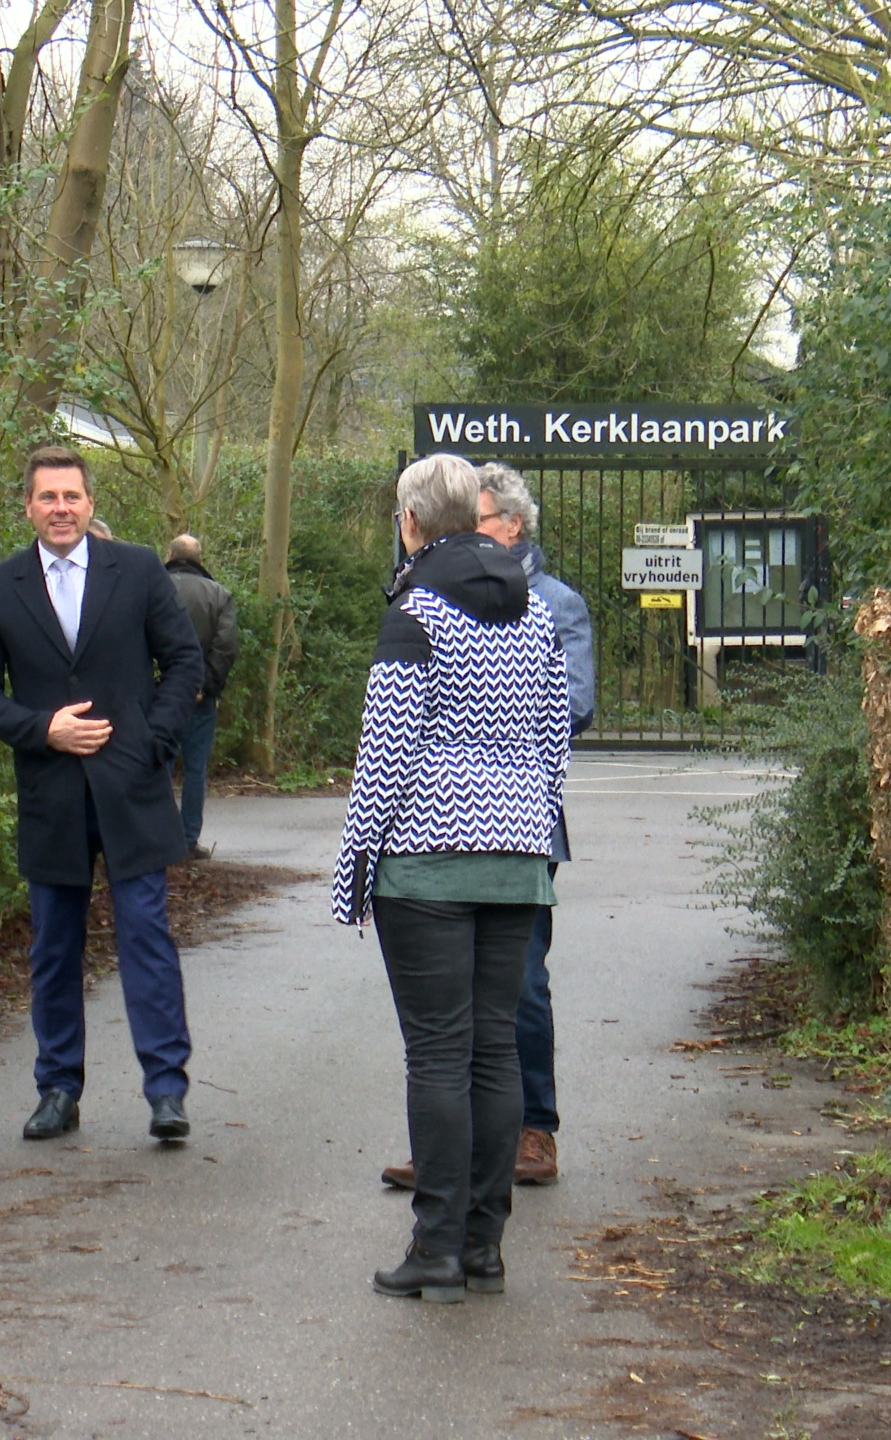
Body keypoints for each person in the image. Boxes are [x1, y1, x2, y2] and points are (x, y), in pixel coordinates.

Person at [334, 452, 571, 1302]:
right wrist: (530, 828)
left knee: (437, 1051)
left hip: (427, 858)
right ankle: (484, 1249)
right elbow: (555, 744)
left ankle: (434, 1248)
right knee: (495, 1046)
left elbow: (386, 755)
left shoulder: (417, 611)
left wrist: (355, 868)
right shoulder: (535, 614)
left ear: (410, 523)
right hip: (516, 856)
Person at [0, 445, 206, 1143]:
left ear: (90, 502)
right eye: (47, 498)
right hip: (51, 794)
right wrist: (42, 729)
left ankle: (166, 1091)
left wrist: (150, 743)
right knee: (54, 949)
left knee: (146, 939)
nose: (60, 509)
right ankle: (57, 1089)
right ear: (28, 508)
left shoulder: (140, 571)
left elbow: (185, 659)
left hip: (131, 790)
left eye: (71, 496)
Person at [380, 463, 595, 1192]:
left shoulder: (547, 605)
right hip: (501, 831)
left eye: (485, 520)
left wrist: (359, 867)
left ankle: (527, 1136)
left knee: (501, 1007)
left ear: (513, 525)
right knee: (461, 1029)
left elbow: (567, 714)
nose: (475, 533)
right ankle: (457, 1174)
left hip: (489, 834)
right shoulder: (462, 601)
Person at [163, 534, 240, 860]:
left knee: (158, 765)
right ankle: (187, 839)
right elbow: (225, 647)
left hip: (159, 695)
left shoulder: (155, 588)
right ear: (199, 558)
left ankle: (158, 836)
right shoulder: (219, 595)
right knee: (195, 769)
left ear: (170, 554)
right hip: (199, 698)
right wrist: (204, 687)